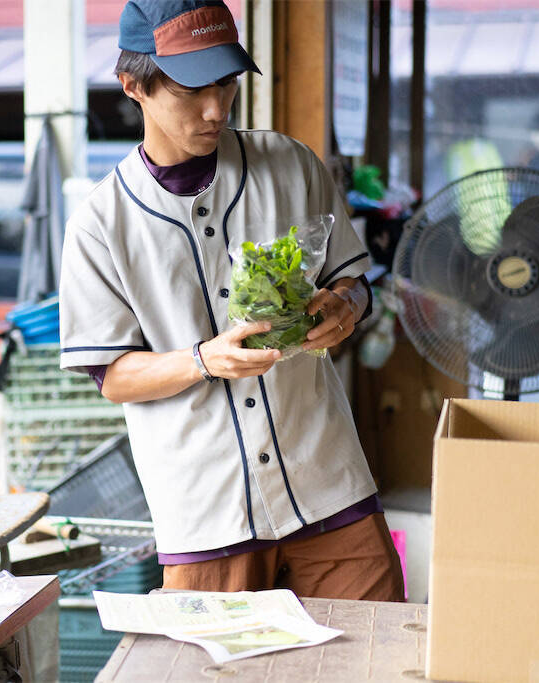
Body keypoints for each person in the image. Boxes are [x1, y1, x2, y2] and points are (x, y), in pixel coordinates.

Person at [59, 0, 404, 601]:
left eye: (226, 82)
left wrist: (345, 309)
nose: (216, 107)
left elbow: (355, 281)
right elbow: (113, 375)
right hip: (208, 513)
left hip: (327, 482)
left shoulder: (290, 164)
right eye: (191, 89)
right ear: (133, 86)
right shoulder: (100, 222)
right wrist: (203, 359)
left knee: (378, 655)